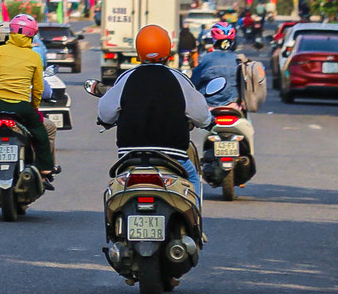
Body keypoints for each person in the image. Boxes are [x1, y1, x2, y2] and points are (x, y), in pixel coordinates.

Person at [97, 24, 211, 202]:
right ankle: (195, 223)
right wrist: (207, 122)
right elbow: (201, 115)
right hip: (173, 155)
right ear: (167, 50)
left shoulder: (126, 78)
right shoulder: (178, 78)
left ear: (138, 50)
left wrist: (106, 121)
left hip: (130, 155)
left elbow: (105, 113)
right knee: (193, 178)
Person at [0, 13, 57, 183]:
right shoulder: (35, 57)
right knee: (40, 134)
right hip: (22, 105)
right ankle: (45, 169)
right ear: (32, 35)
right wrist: (33, 106)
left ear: (12, 31)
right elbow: (38, 88)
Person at [192, 22, 242, 107]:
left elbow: (193, 82)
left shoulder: (206, 59)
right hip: (233, 105)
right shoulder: (238, 59)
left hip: (209, 105)